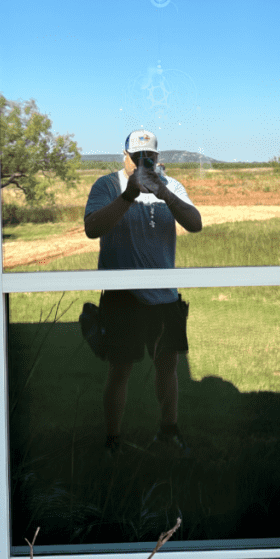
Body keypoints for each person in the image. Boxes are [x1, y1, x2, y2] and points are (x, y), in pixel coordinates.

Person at [84, 130, 202, 455]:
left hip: (165, 295)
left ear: (157, 158)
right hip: (123, 296)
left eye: (148, 157)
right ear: (124, 156)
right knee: (120, 369)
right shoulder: (107, 185)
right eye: (136, 157)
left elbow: (195, 224)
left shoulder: (171, 185)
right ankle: (113, 441)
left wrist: (164, 193)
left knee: (168, 368)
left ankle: (169, 431)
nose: (141, 163)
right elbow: (92, 228)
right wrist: (128, 195)